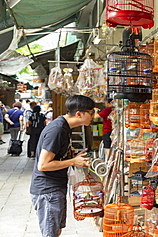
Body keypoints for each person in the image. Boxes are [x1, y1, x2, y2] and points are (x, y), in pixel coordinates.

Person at [30, 95, 95, 237]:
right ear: (79, 114)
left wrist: (73, 156)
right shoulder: (57, 129)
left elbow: (57, 155)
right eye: (91, 112)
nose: (93, 116)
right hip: (47, 190)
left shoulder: (65, 127)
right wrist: (73, 162)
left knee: (56, 230)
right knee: (50, 233)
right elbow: (43, 165)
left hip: (55, 187)